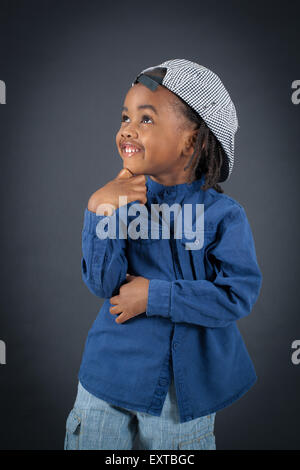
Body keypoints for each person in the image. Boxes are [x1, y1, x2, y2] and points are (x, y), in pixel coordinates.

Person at [63, 59, 263, 450]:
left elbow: (237, 296)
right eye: (125, 116)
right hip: (108, 375)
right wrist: (99, 210)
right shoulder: (120, 201)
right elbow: (102, 283)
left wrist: (155, 296)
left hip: (182, 394)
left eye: (146, 119)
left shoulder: (224, 216)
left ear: (193, 141)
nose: (127, 129)